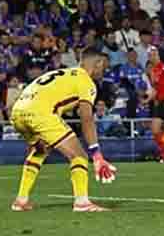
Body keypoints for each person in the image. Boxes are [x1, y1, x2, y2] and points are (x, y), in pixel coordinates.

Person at [9, 51, 117, 212]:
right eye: (104, 67)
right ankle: (82, 202)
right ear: (98, 63)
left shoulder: (62, 73)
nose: (103, 72)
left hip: (17, 112)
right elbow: (86, 117)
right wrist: (96, 153)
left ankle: (21, 200)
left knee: (40, 150)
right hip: (40, 113)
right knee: (79, 155)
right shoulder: (85, 81)